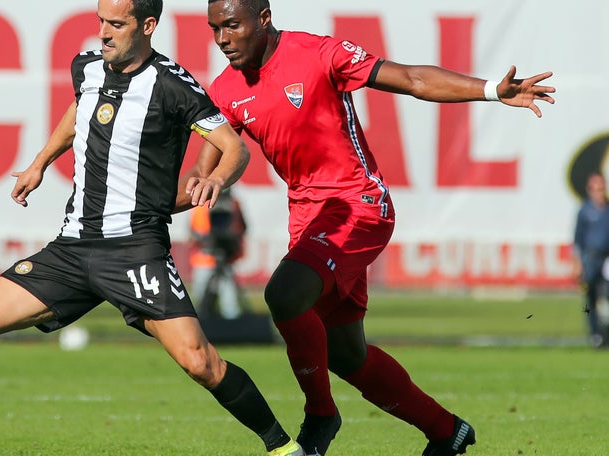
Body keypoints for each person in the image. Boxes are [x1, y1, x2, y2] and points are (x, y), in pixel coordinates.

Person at [0, 1, 306, 455]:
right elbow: (79, 109)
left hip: (135, 250)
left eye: (116, 24)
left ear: (148, 26)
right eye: (100, 22)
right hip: (73, 247)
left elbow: (234, 149)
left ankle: (283, 447)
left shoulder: (172, 85)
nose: (104, 33)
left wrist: (213, 178)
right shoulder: (87, 67)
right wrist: (39, 162)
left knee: (200, 362)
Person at [202, 1, 556, 455]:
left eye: (231, 25)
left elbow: (412, 79)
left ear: (263, 18)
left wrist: (490, 90)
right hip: (308, 221)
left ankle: (320, 417)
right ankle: (448, 432)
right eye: (214, 28)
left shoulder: (318, 53)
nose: (222, 38)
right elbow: (214, 155)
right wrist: (186, 185)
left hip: (358, 206)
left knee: (284, 294)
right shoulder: (227, 88)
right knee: (348, 356)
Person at [189, 187, 248, 319]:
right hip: (205, 257)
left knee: (229, 297)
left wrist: (231, 241)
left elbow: (243, 228)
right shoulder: (201, 205)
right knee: (201, 295)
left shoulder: (234, 204)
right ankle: (205, 320)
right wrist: (207, 239)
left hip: (225, 257)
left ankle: (231, 322)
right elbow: (192, 232)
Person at [573, 172, 609, 348]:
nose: (599, 191)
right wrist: (578, 264)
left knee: (607, 296)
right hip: (590, 259)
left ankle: (605, 332)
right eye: (595, 188)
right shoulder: (584, 211)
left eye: (601, 188)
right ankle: (595, 333)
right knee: (590, 298)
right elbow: (578, 240)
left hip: (607, 259)